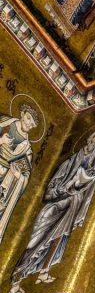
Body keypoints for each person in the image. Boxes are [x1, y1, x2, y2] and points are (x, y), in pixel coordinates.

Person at [8, 126, 95, 293]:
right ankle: (15, 280)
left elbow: (85, 188)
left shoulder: (92, 165)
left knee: (58, 239)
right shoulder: (68, 163)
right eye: (94, 136)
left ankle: (44, 271)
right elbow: (51, 189)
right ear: (88, 138)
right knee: (36, 242)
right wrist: (62, 190)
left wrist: (92, 174)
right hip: (56, 205)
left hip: (72, 205)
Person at [0, 103, 39, 245]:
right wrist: (1, 140)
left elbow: (25, 174)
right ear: (22, 114)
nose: (29, 124)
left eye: (32, 124)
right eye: (28, 118)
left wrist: (18, 176)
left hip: (4, 178)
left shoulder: (26, 148)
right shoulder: (5, 123)